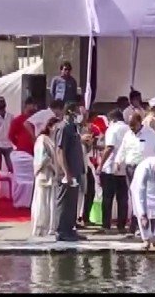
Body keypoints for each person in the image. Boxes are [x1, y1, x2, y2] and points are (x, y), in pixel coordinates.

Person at [114, 113, 155, 234]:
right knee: (133, 197)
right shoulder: (128, 134)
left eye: (134, 125)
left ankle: (144, 225)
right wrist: (118, 161)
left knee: (145, 196)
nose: (132, 128)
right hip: (131, 169)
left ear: (140, 122)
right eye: (130, 125)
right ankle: (134, 224)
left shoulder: (151, 135)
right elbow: (122, 149)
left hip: (145, 169)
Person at [53, 102, 88, 242]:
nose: (79, 115)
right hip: (67, 173)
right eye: (77, 112)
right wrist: (66, 172)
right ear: (70, 112)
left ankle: (71, 229)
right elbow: (60, 151)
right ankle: (61, 231)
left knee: (73, 203)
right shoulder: (63, 128)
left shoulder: (73, 128)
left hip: (76, 170)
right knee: (64, 202)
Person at [96, 109, 130, 234]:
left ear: (113, 119)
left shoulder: (113, 129)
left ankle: (106, 225)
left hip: (110, 167)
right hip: (125, 168)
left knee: (108, 198)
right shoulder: (128, 128)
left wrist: (100, 165)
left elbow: (109, 147)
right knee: (123, 198)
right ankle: (121, 225)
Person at [30, 117, 61, 237]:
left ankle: (51, 227)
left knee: (51, 201)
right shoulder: (42, 139)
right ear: (49, 126)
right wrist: (52, 165)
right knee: (42, 201)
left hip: (52, 175)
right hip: (45, 174)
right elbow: (41, 157)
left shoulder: (54, 140)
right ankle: (41, 227)